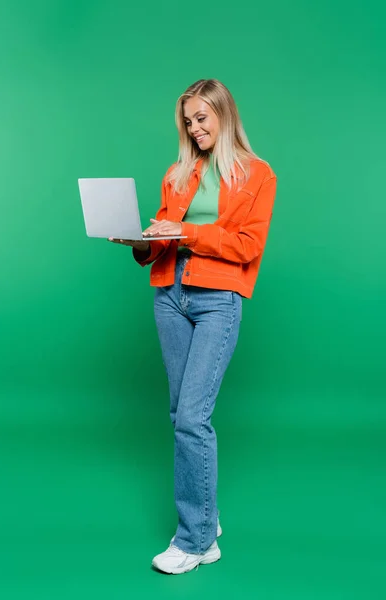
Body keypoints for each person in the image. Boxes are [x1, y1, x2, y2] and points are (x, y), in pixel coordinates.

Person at [109, 79, 277, 574]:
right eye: (187, 121)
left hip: (217, 301)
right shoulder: (178, 173)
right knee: (179, 414)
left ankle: (198, 540)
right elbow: (164, 236)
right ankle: (206, 514)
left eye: (202, 118)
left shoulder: (257, 174)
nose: (194, 128)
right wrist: (140, 242)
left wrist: (186, 231)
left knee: (191, 418)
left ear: (225, 116)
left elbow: (247, 245)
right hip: (170, 294)